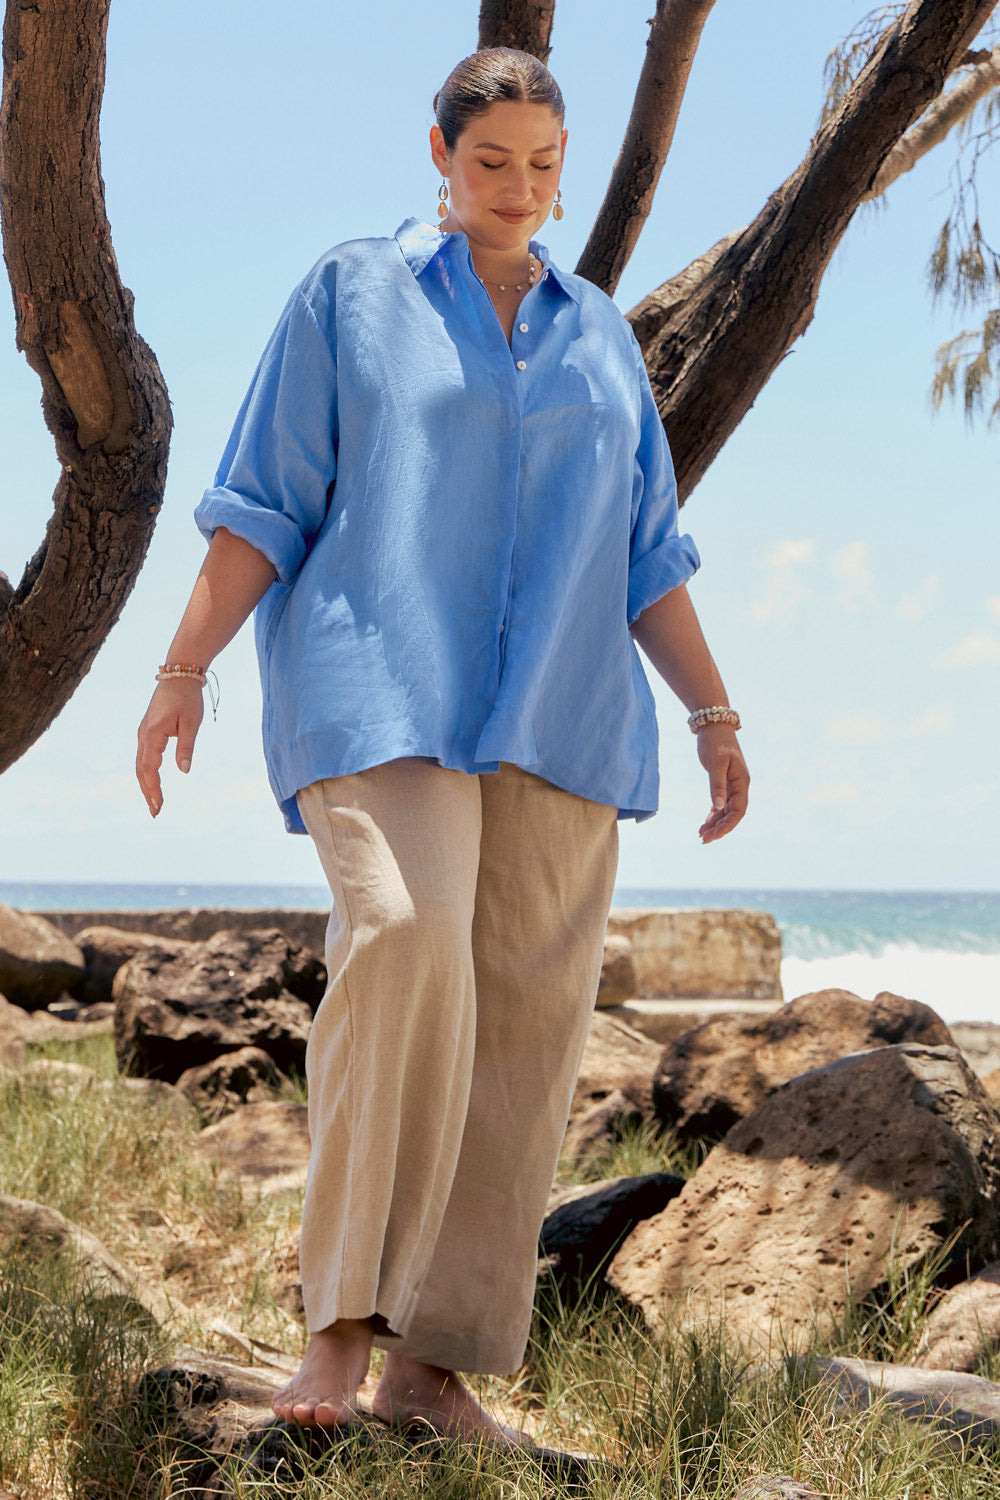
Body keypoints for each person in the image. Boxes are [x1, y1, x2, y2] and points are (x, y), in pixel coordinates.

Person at [135, 47, 749, 1452]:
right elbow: (263, 499)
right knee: (404, 937)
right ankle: (339, 1324)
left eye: (543, 165)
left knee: (526, 1025)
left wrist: (714, 716)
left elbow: (648, 552)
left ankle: (436, 1368)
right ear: (439, 154)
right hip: (380, 689)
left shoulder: (600, 338)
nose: (519, 189)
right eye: (491, 162)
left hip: (562, 714)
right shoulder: (352, 294)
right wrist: (182, 670)